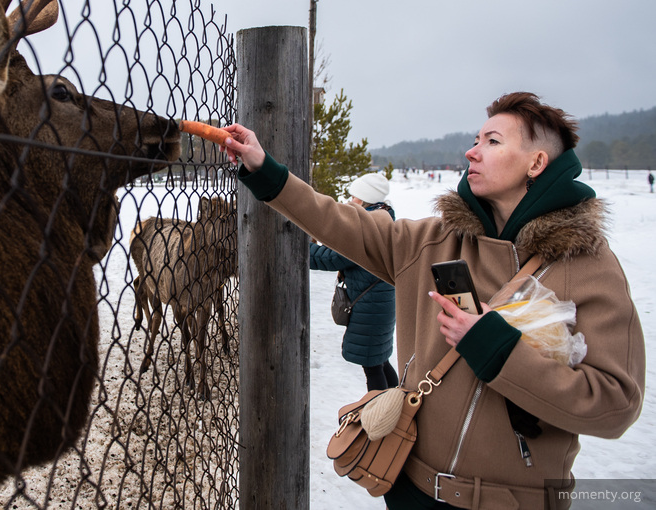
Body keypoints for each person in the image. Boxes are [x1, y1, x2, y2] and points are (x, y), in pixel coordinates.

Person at [219, 92, 644, 509]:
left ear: (536, 162)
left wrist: (496, 349)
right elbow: (336, 220)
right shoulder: (433, 241)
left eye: (492, 141)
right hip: (410, 489)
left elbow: (614, 406)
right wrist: (263, 168)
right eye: (476, 140)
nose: (471, 152)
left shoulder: (588, 267)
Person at [311, 172, 398, 391]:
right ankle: (398, 404)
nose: (350, 201)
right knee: (380, 361)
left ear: (365, 199)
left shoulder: (365, 227)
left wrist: (300, 247)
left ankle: (380, 417)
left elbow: (331, 258)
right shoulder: (385, 219)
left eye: (354, 197)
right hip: (380, 304)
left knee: (373, 368)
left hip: (370, 307)